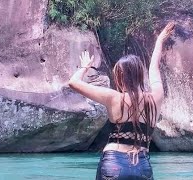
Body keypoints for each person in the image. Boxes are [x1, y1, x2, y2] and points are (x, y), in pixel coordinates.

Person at [69, 22, 175, 180]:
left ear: (119, 78)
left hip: (113, 163)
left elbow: (73, 82)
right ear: (140, 75)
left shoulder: (113, 98)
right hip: (142, 165)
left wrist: (85, 67)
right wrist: (159, 40)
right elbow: (154, 67)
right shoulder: (155, 98)